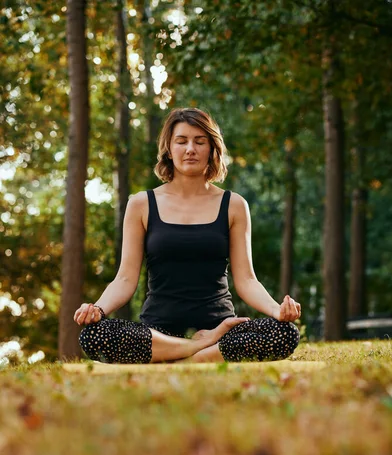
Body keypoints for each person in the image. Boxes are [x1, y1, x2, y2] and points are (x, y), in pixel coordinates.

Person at [74, 107, 301, 364]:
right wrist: (98, 309)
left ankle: (180, 356)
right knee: (94, 335)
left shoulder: (234, 205)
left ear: (212, 149)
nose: (190, 149)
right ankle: (197, 351)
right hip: (158, 333)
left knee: (285, 334)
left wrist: (277, 310)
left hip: (219, 330)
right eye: (181, 141)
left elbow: (247, 280)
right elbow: (125, 278)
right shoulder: (141, 204)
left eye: (199, 141)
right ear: (169, 150)